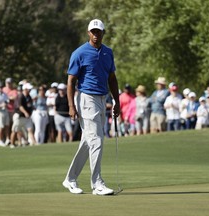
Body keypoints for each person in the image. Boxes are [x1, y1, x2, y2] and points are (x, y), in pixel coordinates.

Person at [62, 19, 120, 196]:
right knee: (97, 140)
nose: (96, 34)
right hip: (86, 99)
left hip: (102, 99)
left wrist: (117, 101)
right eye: (93, 31)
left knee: (88, 141)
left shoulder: (108, 53)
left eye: (99, 31)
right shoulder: (79, 53)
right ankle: (97, 183)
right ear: (88, 33)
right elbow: (71, 81)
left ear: (103, 33)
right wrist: (71, 106)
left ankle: (70, 179)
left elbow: (112, 78)